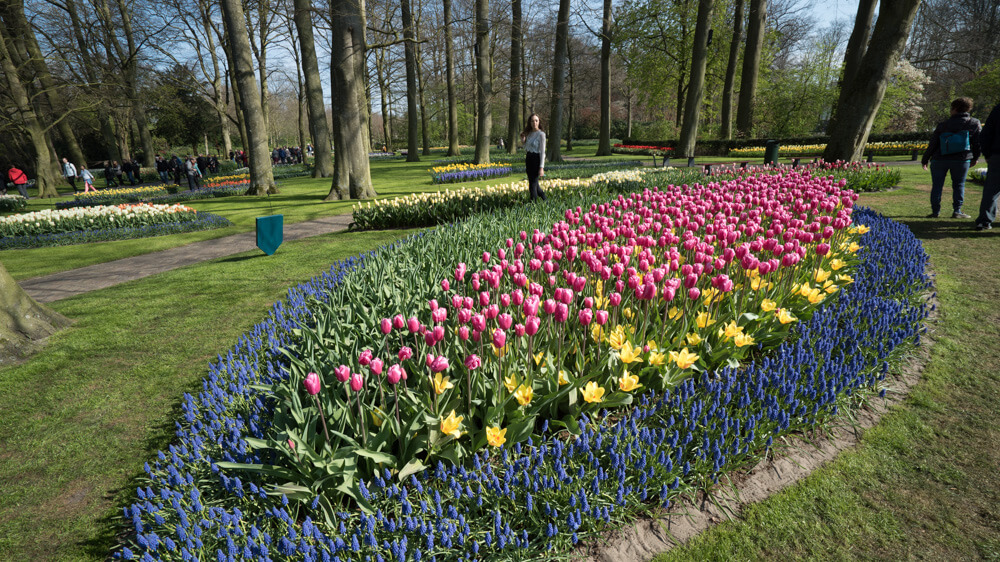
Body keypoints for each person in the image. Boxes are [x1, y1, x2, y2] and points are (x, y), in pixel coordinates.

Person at [921, 97, 981, 218]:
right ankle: (957, 210)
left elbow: (933, 143)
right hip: (961, 159)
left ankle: (935, 211)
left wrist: (925, 159)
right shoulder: (973, 123)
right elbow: (977, 143)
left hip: (939, 158)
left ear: (955, 109)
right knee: (959, 185)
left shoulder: (943, 125)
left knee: (937, 185)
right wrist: (975, 157)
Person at [975, 101, 1000, 231]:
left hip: (997, 154)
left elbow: (986, 134)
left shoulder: (997, 110)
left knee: (991, 190)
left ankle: (985, 220)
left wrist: (987, 153)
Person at [521, 113, 547, 202]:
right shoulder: (529, 133)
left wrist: (541, 167)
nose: (534, 123)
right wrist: (523, 140)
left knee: (532, 185)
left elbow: (543, 152)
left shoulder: (541, 134)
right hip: (529, 159)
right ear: (530, 122)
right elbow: (526, 147)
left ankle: (533, 205)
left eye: (536, 120)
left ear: (539, 122)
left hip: (536, 159)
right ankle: (545, 200)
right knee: (534, 184)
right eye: (532, 121)